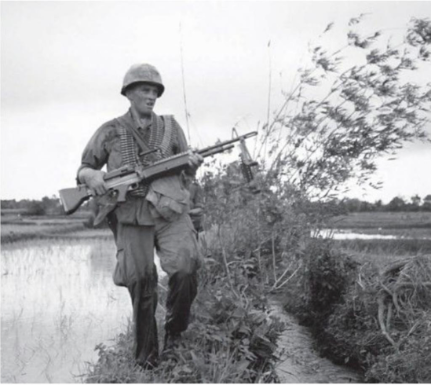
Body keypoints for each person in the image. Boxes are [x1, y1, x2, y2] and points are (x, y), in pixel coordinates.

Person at [77, 63, 203, 369]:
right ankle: (147, 358)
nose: (151, 96)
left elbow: (186, 173)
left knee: (186, 266)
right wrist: (92, 175)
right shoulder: (110, 131)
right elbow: (84, 168)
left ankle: (175, 332)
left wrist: (193, 165)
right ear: (129, 93)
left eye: (155, 91)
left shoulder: (171, 128)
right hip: (132, 213)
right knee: (141, 281)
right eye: (145, 90)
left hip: (170, 210)